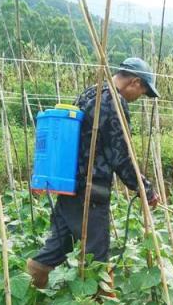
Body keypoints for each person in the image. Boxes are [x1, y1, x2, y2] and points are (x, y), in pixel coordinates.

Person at [27, 57, 160, 289]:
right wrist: (144, 188)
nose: (139, 98)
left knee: (59, 245)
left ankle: (24, 299)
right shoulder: (113, 102)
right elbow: (121, 154)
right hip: (91, 189)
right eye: (142, 92)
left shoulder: (91, 93)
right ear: (135, 82)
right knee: (97, 255)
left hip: (70, 183)